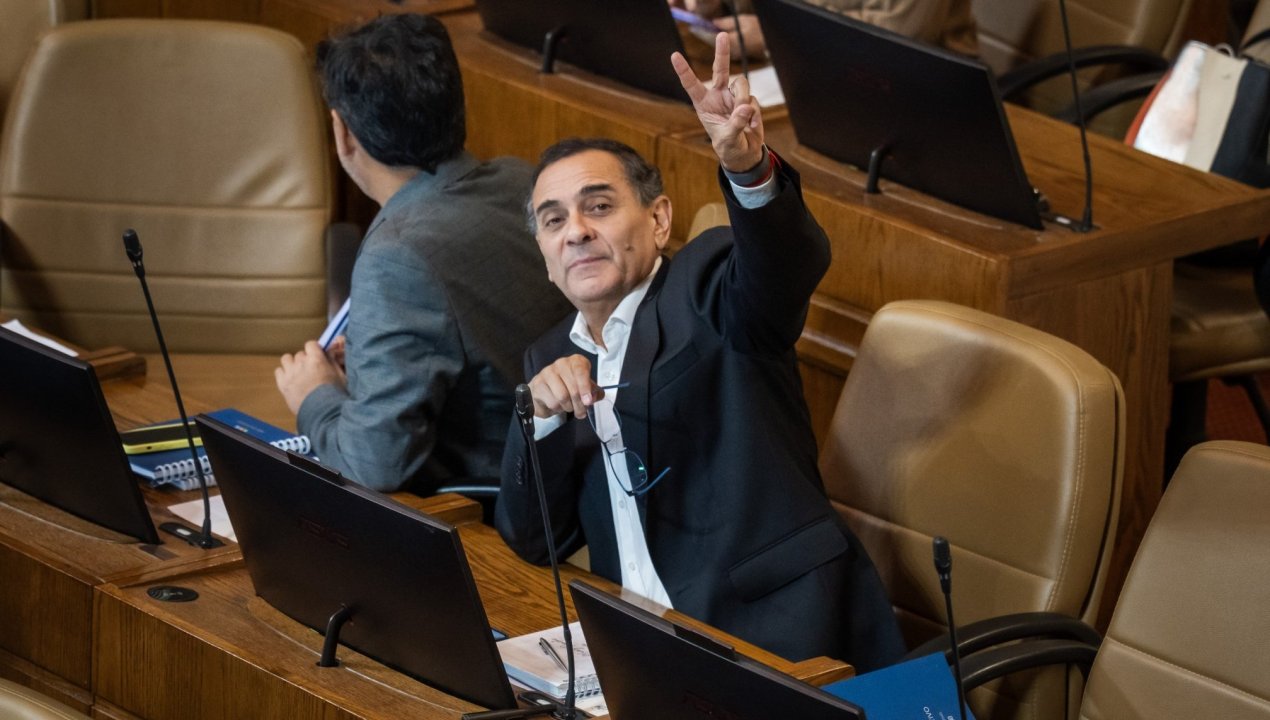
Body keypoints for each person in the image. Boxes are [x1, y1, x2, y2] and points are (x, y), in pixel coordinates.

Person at [495, 33, 904, 670]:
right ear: (545, 258)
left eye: (598, 207)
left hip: (773, 636)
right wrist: (540, 420)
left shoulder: (707, 285)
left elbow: (785, 264)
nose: (576, 231)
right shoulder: (549, 357)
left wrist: (748, 168)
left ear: (659, 220)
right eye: (553, 220)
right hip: (635, 649)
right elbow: (532, 540)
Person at [275, 14, 571, 495]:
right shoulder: (521, 180)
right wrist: (374, 357)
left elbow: (373, 466)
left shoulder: (396, 256)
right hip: (572, 472)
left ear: (342, 132)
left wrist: (315, 396)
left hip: (492, 510)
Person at [674, 0, 978, 59]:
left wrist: (777, 34)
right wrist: (714, 6)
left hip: (915, 88)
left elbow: (897, 34)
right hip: (793, 67)